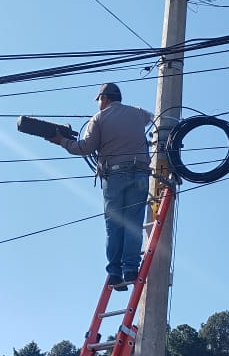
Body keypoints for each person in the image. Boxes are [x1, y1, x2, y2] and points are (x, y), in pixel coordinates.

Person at [49, 83, 153, 291]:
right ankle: (131, 269)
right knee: (133, 224)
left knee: (114, 227)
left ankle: (115, 273)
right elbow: (150, 117)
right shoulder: (137, 113)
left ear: (104, 98)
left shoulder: (99, 119)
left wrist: (62, 141)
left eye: (98, 100)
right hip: (140, 173)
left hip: (114, 176)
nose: (98, 104)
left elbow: (85, 147)